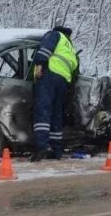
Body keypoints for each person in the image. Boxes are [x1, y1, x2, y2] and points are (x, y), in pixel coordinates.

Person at [30, 25, 79, 162]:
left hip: (49, 75)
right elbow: (75, 68)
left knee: (43, 110)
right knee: (56, 114)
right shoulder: (70, 47)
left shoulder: (55, 35)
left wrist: (39, 64)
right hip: (63, 81)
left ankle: (41, 147)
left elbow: (45, 49)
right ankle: (57, 150)